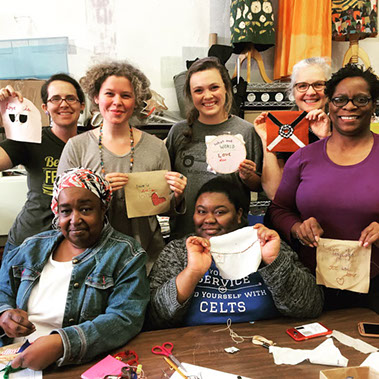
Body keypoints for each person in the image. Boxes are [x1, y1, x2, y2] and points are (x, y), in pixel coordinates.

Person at [0, 168, 149, 370]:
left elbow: (125, 318)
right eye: (66, 211)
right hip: (13, 360)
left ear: (103, 208)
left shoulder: (126, 255)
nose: (74, 219)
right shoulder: (31, 247)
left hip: (74, 364)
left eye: (86, 209)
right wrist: (5, 313)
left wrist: (62, 344)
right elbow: (3, 289)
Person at [268, 64, 379, 311]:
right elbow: (278, 210)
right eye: (340, 99)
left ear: (373, 105)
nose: (349, 107)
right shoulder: (303, 158)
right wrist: (297, 228)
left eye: (361, 99)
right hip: (310, 286)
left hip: (375, 287)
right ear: (329, 104)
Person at [57, 61, 186, 272]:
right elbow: (61, 208)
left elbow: (165, 209)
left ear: (135, 101)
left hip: (146, 258)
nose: (117, 102)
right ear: (96, 97)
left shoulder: (156, 147)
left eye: (126, 95)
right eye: (109, 94)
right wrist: (96, 190)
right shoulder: (77, 147)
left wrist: (178, 196)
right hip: (92, 260)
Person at [148, 177, 324, 329]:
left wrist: (273, 261)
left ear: (239, 214)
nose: (208, 220)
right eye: (201, 211)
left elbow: (311, 306)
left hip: (266, 343)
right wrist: (191, 273)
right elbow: (156, 317)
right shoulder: (178, 251)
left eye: (219, 212)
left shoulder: (265, 243)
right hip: (197, 349)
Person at [166, 57, 264, 240]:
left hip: (230, 238)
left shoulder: (246, 131)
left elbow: (260, 186)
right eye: (198, 90)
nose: (207, 96)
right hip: (184, 237)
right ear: (190, 95)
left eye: (214, 87)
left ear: (226, 88)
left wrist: (248, 176)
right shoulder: (178, 132)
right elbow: (166, 186)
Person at [0, 75, 85, 255]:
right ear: (45, 108)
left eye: (70, 98)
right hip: (28, 244)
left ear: (82, 106)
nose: (64, 104)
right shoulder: (30, 139)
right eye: (55, 99)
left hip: (75, 246)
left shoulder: (93, 143)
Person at [254, 57, 332, 199]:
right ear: (293, 92)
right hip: (290, 212)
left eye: (318, 85)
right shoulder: (282, 126)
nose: (310, 92)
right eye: (302, 86)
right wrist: (268, 141)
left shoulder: (342, 125)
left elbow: (344, 183)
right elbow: (274, 193)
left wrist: (326, 138)